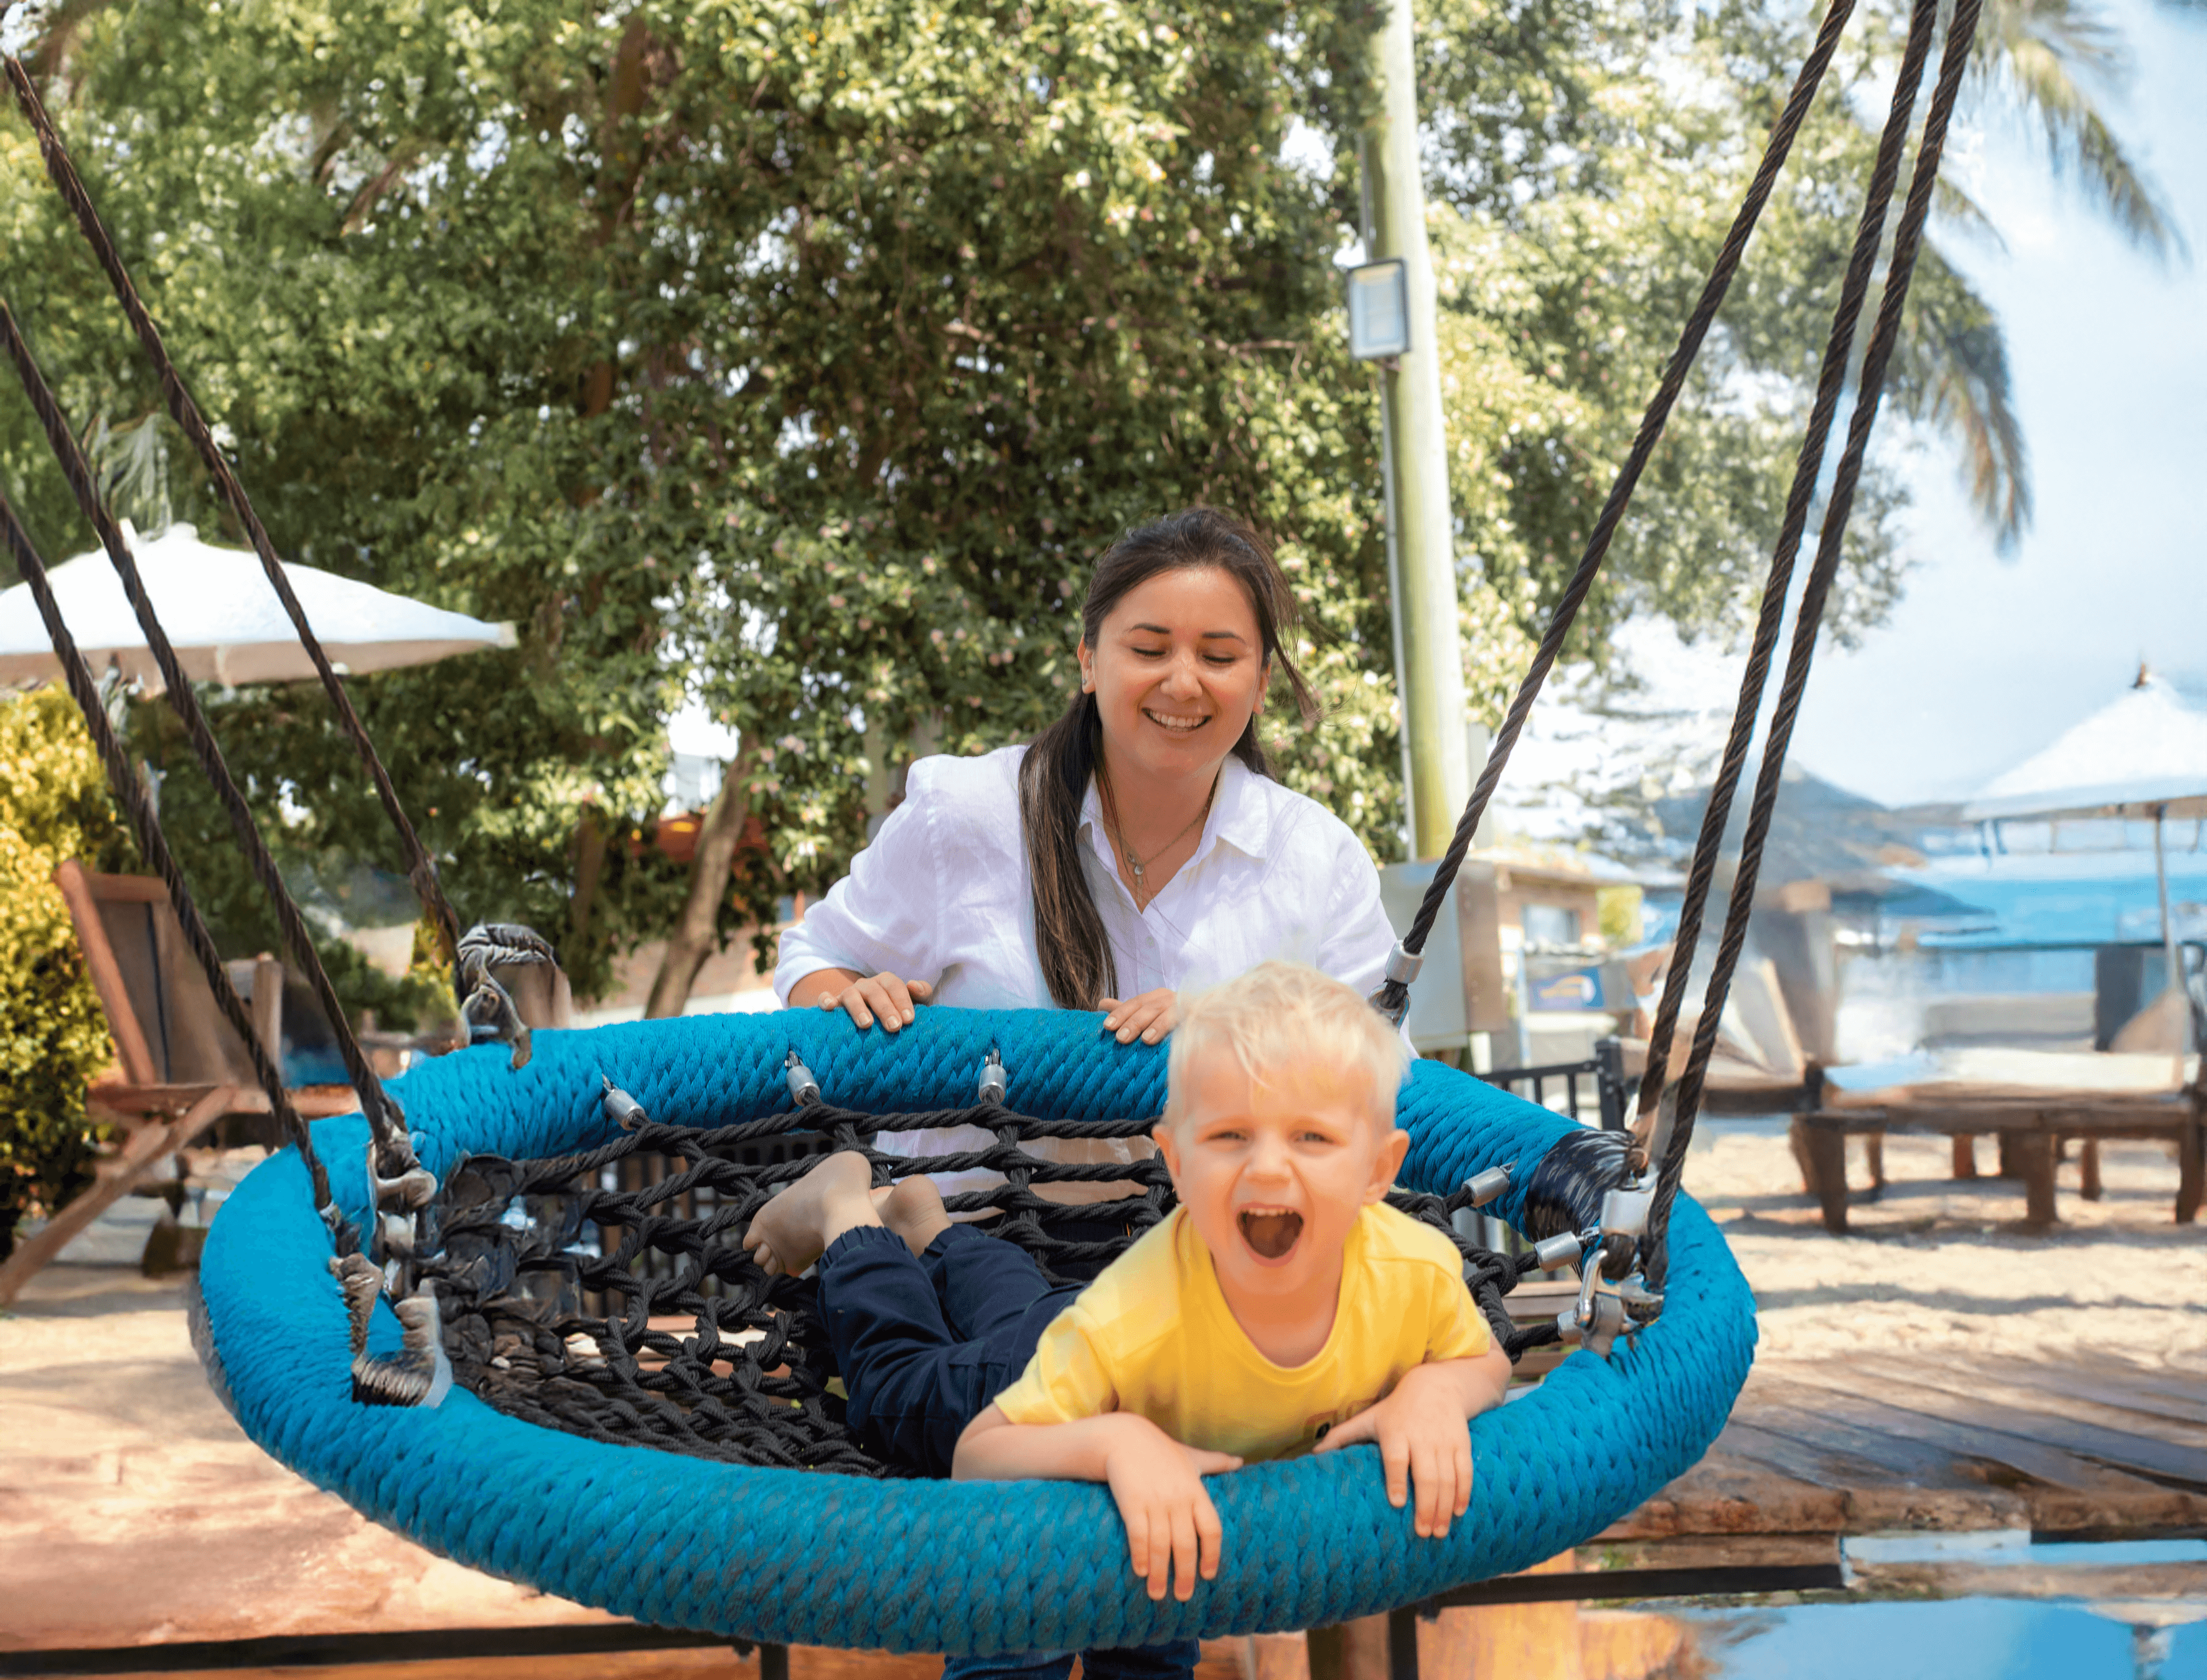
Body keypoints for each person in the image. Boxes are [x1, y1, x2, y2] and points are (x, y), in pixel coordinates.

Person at [743, 961, 1513, 1680]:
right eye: (1230, 1136)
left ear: (1380, 1167)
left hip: (1075, 1330)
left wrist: (1436, 1394)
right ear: (1175, 1164)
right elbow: (982, 1454)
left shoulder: (1412, 1268)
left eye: (1312, 1137)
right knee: (897, 1391)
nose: (1270, 1167)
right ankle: (847, 1212)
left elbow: (1481, 1359)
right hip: (1057, 1388)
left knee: (1039, 1327)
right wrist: (1118, 1439)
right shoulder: (1136, 1319)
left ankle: (931, 1231)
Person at [772, 506, 1403, 1192]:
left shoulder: (1317, 858)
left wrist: (1247, 1031)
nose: (1183, 682)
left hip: (1218, 1269)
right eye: (1150, 649)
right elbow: (815, 958)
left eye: (1219, 657)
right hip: (970, 1259)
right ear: (1089, 663)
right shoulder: (968, 813)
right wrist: (854, 998)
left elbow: (1387, 1067)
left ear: (1259, 686)